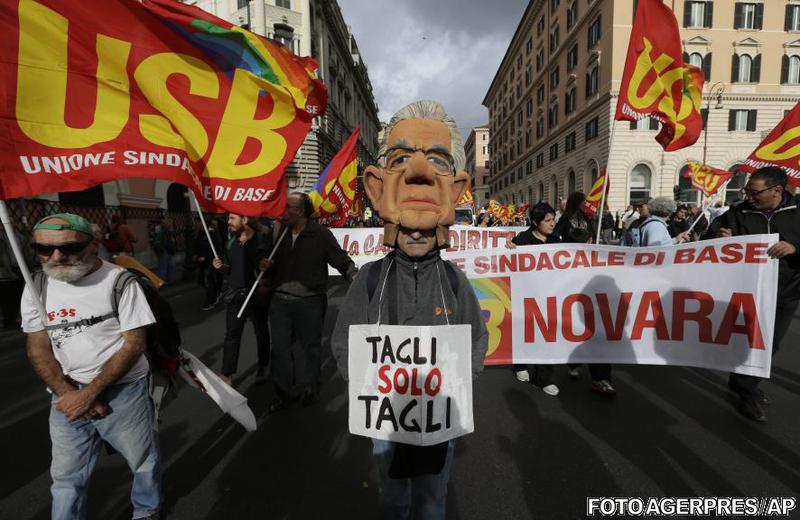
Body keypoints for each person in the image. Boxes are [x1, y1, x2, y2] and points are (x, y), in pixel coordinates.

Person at [332, 100, 488, 520]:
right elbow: (342, 341)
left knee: (432, 501)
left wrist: (458, 384)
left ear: (454, 190)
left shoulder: (455, 281)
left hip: (438, 418)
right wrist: (369, 386)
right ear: (377, 186)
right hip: (385, 420)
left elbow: (476, 337)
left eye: (436, 160)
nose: (416, 234)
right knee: (395, 498)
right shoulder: (368, 279)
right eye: (400, 158)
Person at [21, 213, 161, 520]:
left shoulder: (121, 281)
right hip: (65, 394)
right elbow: (37, 347)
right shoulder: (37, 285)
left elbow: (134, 344)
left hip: (123, 391)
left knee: (141, 461)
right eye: (44, 249)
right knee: (66, 477)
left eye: (70, 247)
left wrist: (91, 393)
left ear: (93, 244)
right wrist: (70, 394)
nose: (56, 256)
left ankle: (146, 510)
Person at [703, 166, 800, 422]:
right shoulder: (736, 213)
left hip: (785, 293)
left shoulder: (798, 213)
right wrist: (718, 238)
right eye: (746, 191)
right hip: (745, 292)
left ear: (776, 191)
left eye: (753, 192)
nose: (748, 197)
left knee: (770, 344)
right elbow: (705, 238)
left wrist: (794, 248)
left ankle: (743, 384)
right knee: (748, 341)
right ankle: (747, 392)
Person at [263, 192, 357, 411]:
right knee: (280, 350)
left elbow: (341, 260)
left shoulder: (321, 235)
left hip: (310, 301)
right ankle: (284, 392)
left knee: (310, 349)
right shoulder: (278, 232)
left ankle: (310, 388)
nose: (283, 210)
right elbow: (264, 256)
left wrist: (357, 282)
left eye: (289, 207)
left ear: (301, 211)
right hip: (280, 301)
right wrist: (263, 264)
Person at [505, 202, 559, 396]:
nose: (552, 224)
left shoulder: (556, 240)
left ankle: (543, 377)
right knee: (525, 331)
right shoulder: (523, 240)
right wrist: (509, 249)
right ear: (536, 222)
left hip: (550, 297)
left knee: (547, 335)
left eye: (553, 220)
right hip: (526, 296)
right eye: (548, 220)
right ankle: (520, 365)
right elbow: (510, 263)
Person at [212, 214, 272, 386]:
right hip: (235, 295)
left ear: (244, 220)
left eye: (232, 218)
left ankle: (263, 364)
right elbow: (229, 268)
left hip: (257, 294)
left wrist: (265, 275)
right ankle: (227, 373)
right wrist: (221, 267)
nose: (228, 222)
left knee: (261, 331)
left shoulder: (262, 241)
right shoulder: (231, 242)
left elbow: (271, 268)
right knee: (232, 334)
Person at [563, 227, 617, 395]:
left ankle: (600, 378)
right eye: (590, 242)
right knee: (588, 340)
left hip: (595, 309)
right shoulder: (562, 262)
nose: (593, 244)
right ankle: (583, 367)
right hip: (579, 310)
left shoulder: (599, 259)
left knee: (596, 341)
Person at [194, 220, 223, 311]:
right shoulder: (198, 235)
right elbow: (196, 246)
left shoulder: (212, 234)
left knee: (208, 282)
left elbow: (217, 250)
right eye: (196, 224)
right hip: (201, 264)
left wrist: (205, 257)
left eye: (199, 223)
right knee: (200, 280)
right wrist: (195, 255)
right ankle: (216, 291)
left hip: (210, 263)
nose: (197, 225)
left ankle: (211, 300)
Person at [153, 218, 176, 284]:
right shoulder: (161, 233)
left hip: (168, 251)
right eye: (169, 224)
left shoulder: (168, 232)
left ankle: (168, 280)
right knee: (163, 267)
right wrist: (163, 250)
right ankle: (161, 281)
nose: (171, 225)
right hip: (165, 252)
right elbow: (157, 244)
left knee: (170, 266)